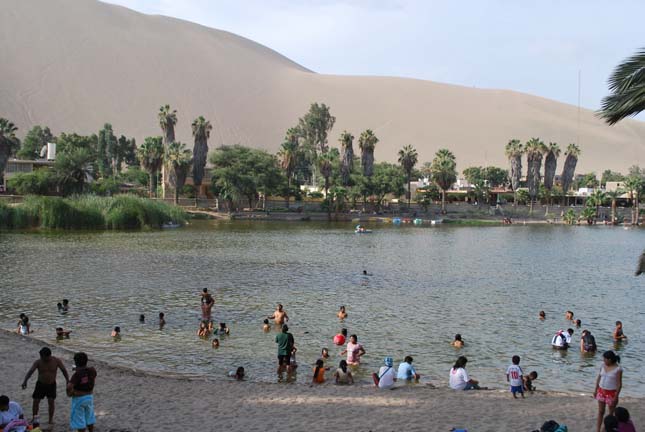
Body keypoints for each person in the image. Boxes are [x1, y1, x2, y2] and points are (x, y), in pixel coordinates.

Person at [21, 347, 70, 425]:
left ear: (48, 356)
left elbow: (64, 370)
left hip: (51, 385)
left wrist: (67, 380)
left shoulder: (56, 361)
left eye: (42, 356)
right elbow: (30, 371)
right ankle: (34, 418)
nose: (41, 358)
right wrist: (25, 381)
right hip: (40, 384)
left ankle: (50, 419)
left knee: (51, 402)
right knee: (36, 402)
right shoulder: (38, 362)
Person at [67, 352, 97, 432]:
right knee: (89, 416)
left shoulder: (77, 374)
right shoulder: (92, 370)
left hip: (79, 398)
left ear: (75, 362)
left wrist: (70, 393)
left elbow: (69, 386)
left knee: (79, 420)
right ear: (87, 360)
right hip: (89, 397)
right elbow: (89, 375)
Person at [593, 351, 622, 432]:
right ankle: (598, 430)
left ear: (610, 359)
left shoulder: (618, 369)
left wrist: (616, 397)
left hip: (612, 393)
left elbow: (619, 384)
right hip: (601, 391)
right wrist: (595, 390)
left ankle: (606, 429)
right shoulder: (602, 366)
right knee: (601, 411)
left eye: (605, 359)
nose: (603, 360)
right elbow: (599, 378)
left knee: (610, 414)